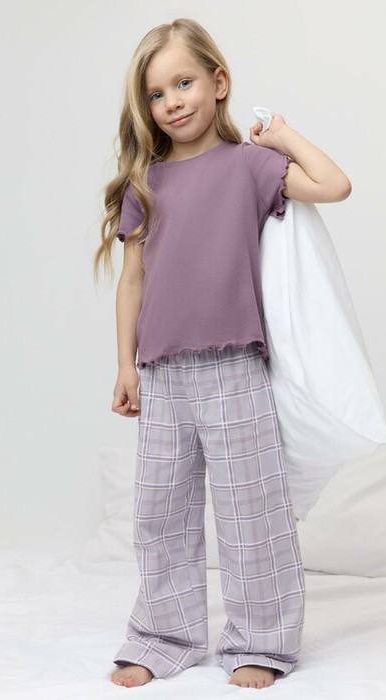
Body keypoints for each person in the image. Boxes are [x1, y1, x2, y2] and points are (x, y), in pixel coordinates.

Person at [93, 17, 351, 691]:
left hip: (236, 368)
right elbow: (132, 280)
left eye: (183, 83)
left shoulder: (248, 166)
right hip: (161, 373)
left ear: (218, 82)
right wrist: (125, 365)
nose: (171, 102)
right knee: (160, 514)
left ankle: (261, 640)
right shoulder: (145, 182)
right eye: (156, 94)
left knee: (251, 513)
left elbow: (333, 185)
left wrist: (283, 136)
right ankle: (164, 636)